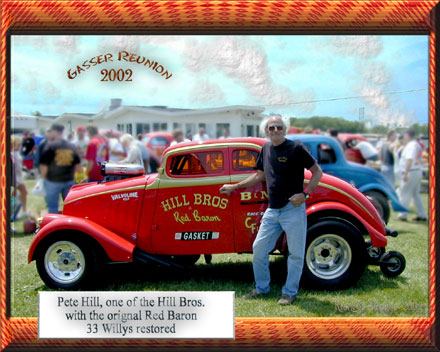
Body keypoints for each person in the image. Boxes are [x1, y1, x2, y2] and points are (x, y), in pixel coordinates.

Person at [220, 115, 323, 305]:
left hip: (293, 210)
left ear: (285, 129)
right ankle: (262, 288)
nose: (275, 130)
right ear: (266, 131)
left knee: (296, 253)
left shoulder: (296, 148)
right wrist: (235, 187)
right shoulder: (265, 148)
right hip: (272, 210)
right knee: (259, 248)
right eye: (271, 128)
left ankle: (289, 292)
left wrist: (305, 194)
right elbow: (259, 176)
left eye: (279, 127)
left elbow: (318, 172)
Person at [39, 124, 82, 214]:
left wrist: (42, 179)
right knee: (71, 207)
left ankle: (54, 226)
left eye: (51, 132)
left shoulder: (50, 146)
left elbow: (44, 165)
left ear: (55, 131)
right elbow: (78, 168)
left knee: (53, 207)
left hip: (53, 181)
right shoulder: (71, 146)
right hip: (69, 180)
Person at [396, 129, 427, 221]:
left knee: (405, 193)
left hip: (411, 171)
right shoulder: (416, 144)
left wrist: (405, 173)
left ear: (407, 135)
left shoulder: (411, 145)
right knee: (415, 194)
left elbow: (409, 159)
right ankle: (422, 214)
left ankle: (403, 215)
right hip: (416, 170)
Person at [11, 135, 29, 219]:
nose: (19, 145)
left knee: (23, 193)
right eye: (17, 143)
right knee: (14, 196)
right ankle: (14, 214)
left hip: (18, 177)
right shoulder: (11, 153)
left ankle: (23, 211)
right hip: (14, 178)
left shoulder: (16, 153)